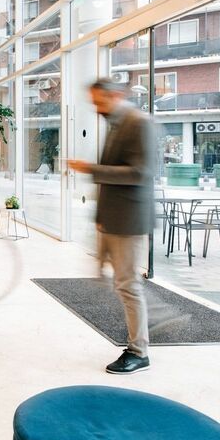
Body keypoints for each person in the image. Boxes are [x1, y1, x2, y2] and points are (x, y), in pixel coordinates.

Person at [68, 79, 157, 375]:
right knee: (121, 283)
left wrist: (91, 169)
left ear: (116, 95)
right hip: (114, 219)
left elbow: (140, 173)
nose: (97, 109)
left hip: (129, 220)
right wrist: (101, 216)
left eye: (100, 102)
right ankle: (140, 336)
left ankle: (139, 351)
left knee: (128, 285)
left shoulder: (138, 123)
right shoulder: (117, 123)